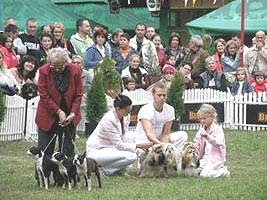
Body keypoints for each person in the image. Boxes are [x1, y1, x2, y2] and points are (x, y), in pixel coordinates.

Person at [86, 94, 153, 176]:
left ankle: (118, 168)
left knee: (132, 135)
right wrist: (139, 146)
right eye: (127, 110)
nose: (129, 113)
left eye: (130, 110)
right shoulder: (109, 120)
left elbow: (123, 138)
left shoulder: (125, 116)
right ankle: (106, 171)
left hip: (110, 146)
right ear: (118, 109)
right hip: (97, 150)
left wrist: (141, 149)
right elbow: (119, 145)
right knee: (131, 157)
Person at [35, 47, 83, 157]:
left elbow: (79, 94)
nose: (56, 69)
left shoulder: (75, 70)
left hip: (69, 114)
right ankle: (43, 174)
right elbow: (44, 96)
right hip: (48, 114)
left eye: (60, 66)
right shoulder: (44, 71)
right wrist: (59, 111)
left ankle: (66, 174)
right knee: (45, 151)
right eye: (53, 66)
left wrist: (72, 113)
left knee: (67, 152)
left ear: (67, 62)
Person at [135, 81, 188, 162]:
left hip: (160, 140)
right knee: (145, 155)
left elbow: (166, 133)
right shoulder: (145, 110)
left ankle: (173, 160)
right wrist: (161, 145)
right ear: (153, 95)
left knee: (182, 135)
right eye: (159, 95)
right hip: (145, 141)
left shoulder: (170, 109)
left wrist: (165, 146)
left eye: (164, 95)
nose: (162, 98)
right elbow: (149, 134)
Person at [194, 104, 230, 178]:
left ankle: (223, 172)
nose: (202, 121)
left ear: (212, 117)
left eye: (204, 118)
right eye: (200, 119)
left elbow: (219, 143)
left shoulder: (218, 129)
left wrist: (208, 137)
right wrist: (191, 146)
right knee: (193, 172)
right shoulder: (201, 131)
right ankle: (213, 170)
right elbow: (197, 145)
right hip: (205, 158)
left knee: (204, 175)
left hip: (216, 159)